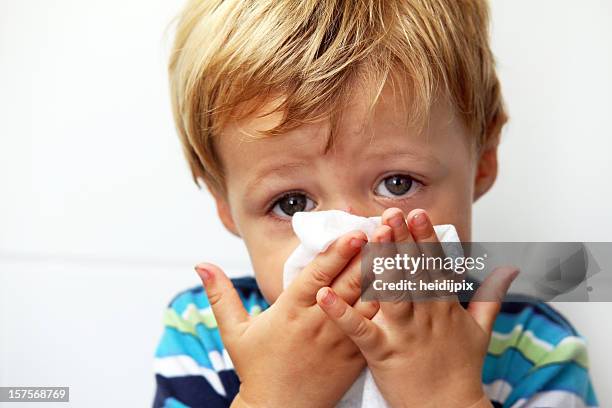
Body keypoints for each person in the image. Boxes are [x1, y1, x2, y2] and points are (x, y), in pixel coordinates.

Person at [153, 0, 598, 406]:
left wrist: (446, 396)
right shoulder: (204, 340)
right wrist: (271, 396)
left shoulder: (534, 350)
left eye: (399, 183)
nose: (350, 241)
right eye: (291, 203)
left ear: (482, 163)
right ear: (226, 206)